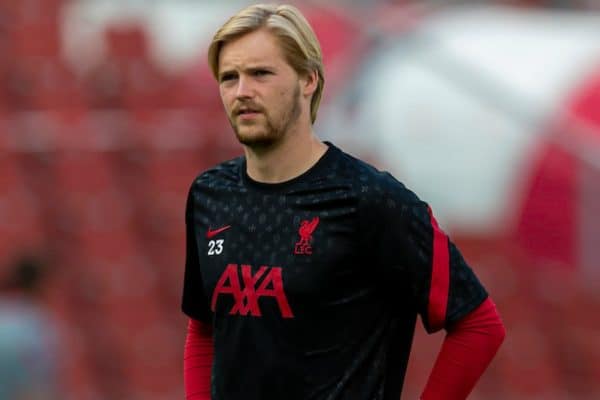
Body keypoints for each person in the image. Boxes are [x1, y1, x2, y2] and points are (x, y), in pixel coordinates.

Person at [181, 4, 505, 399]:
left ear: (308, 80)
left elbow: (478, 325)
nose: (242, 91)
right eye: (229, 77)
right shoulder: (210, 194)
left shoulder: (373, 199)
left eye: (261, 73)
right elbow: (204, 328)